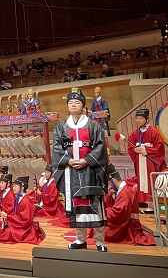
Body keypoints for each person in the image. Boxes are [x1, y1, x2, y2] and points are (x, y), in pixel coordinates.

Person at [53, 87, 109, 252]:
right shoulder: (62, 127)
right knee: (76, 206)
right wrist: (68, 160)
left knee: (95, 204)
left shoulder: (93, 125)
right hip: (71, 171)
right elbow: (57, 148)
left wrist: (86, 160)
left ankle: (100, 240)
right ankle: (80, 239)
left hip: (90, 169)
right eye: (70, 103)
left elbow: (100, 146)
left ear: (83, 106)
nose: (73, 105)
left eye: (77, 102)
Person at [0, 176, 45, 245]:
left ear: (22, 188)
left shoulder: (26, 202)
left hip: (25, 227)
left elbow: (25, 220)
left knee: (7, 232)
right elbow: (15, 214)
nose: (13, 188)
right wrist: (6, 219)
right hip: (19, 223)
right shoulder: (18, 199)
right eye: (13, 186)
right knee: (3, 228)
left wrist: (7, 217)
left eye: (15, 186)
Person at [103, 164, 155, 245]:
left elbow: (117, 212)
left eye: (108, 183)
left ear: (113, 180)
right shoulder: (124, 189)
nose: (108, 186)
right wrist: (109, 197)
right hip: (125, 223)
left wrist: (102, 211)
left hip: (128, 228)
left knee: (100, 232)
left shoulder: (125, 193)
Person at [127, 108, 167, 209]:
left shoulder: (154, 132)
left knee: (151, 181)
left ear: (147, 119)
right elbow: (130, 145)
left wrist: (147, 151)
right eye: (137, 118)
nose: (138, 120)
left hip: (150, 161)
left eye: (141, 118)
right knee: (142, 181)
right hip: (140, 161)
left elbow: (159, 147)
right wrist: (134, 150)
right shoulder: (135, 133)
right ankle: (146, 202)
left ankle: (155, 204)